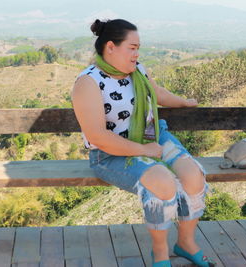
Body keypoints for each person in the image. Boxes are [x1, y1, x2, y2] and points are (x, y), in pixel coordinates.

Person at [71, 18, 215, 267]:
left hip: (152, 135)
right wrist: (144, 150)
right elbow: (97, 137)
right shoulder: (88, 82)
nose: (137, 54)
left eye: (138, 48)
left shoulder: (138, 71)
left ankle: (186, 243)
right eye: (132, 47)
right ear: (111, 47)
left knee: (193, 174)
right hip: (110, 154)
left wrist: (183, 102)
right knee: (162, 180)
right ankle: (160, 254)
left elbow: (156, 93)